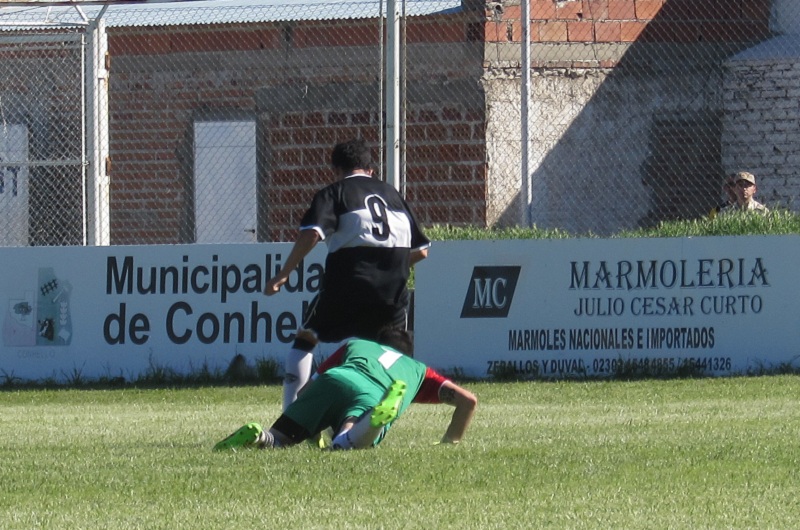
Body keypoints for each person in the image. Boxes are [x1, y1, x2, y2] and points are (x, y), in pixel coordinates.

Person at [264, 138, 431, 411]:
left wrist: (284, 273)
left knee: (306, 339)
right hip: (392, 293)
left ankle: (291, 415)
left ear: (336, 170)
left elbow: (312, 233)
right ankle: (375, 412)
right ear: (371, 169)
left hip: (348, 284)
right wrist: (388, 264)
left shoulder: (335, 192)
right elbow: (422, 251)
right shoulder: (394, 196)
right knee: (387, 354)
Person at [213, 329, 477, 451]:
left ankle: (259, 436)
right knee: (347, 440)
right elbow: (469, 401)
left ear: (379, 343)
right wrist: (448, 444)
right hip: (372, 393)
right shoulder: (417, 369)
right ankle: (368, 422)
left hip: (335, 378)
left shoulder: (357, 344)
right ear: (408, 353)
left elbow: (306, 391)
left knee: (278, 441)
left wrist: (312, 424)